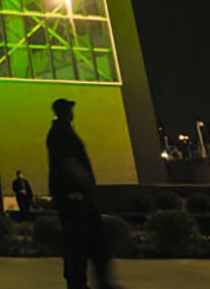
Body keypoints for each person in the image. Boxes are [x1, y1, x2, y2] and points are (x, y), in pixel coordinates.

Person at [47, 99, 117, 289]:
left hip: (76, 195)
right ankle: (80, 283)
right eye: (69, 109)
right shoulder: (61, 134)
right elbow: (69, 162)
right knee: (79, 241)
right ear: (64, 112)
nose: (72, 113)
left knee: (90, 240)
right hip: (73, 196)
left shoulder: (62, 132)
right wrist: (84, 184)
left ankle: (94, 281)